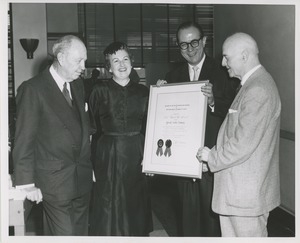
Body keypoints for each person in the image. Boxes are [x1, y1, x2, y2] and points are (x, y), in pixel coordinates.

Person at [155, 21, 237, 236]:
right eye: (184, 45)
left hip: (213, 159)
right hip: (183, 160)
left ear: (204, 41)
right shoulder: (172, 76)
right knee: (186, 217)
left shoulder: (224, 71)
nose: (190, 49)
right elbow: (166, 121)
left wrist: (213, 102)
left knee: (213, 219)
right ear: (178, 47)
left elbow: (237, 110)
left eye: (194, 42)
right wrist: (160, 99)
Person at [197, 32, 281, 237]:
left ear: (244, 56)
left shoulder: (258, 89)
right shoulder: (253, 85)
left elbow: (242, 144)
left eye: (227, 57)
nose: (224, 63)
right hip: (240, 194)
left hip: (244, 197)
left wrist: (212, 156)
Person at [12, 35, 93, 236]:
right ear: (61, 57)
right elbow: (23, 141)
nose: (83, 66)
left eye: (85, 60)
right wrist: (26, 184)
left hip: (81, 179)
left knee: (81, 235)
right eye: (78, 61)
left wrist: (87, 165)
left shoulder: (78, 85)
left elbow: (82, 129)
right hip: (54, 182)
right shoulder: (33, 89)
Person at [88, 41, 152, 236]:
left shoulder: (144, 92)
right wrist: (89, 165)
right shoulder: (99, 90)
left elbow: (152, 128)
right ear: (108, 67)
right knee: (108, 202)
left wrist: (153, 160)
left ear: (132, 63)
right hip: (108, 154)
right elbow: (90, 129)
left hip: (137, 152)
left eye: (125, 59)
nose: (121, 64)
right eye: (115, 61)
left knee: (135, 201)